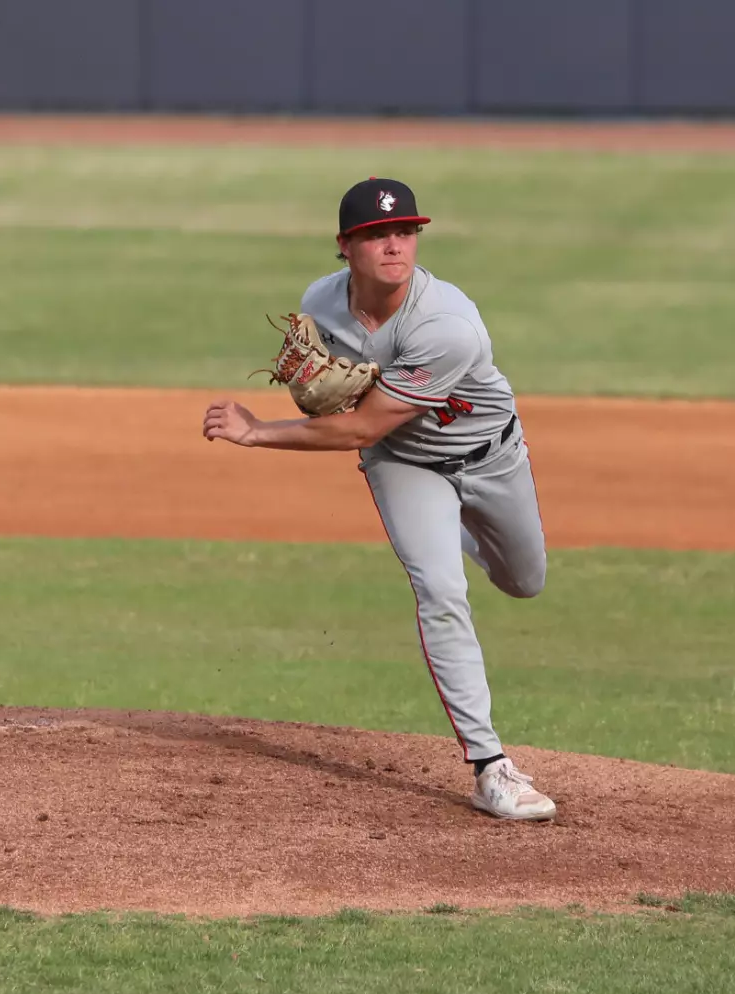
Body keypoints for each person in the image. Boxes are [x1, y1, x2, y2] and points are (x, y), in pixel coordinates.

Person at [201, 177, 555, 821]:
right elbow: (349, 417)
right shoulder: (320, 301)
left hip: (492, 458)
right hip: (403, 464)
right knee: (440, 590)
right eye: (375, 235)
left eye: (404, 233)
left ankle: (455, 529)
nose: (393, 246)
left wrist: (258, 432)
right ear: (345, 246)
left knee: (525, 581)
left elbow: (359, 423)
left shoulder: (447, 325)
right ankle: (489, 766)